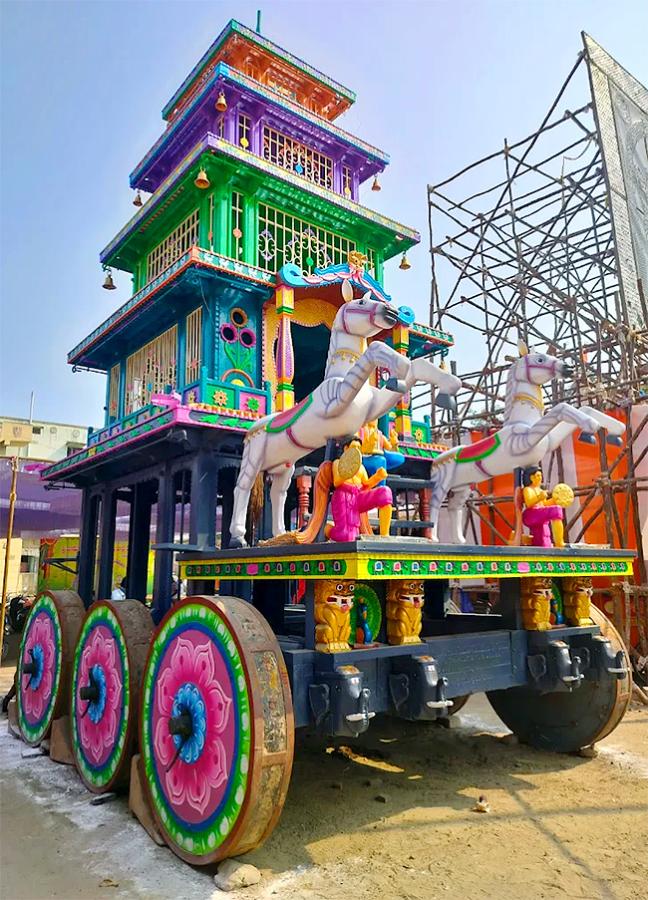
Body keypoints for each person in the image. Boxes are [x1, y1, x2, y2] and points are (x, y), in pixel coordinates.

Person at [327, 436, 393, 542]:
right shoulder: (338, 463)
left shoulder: (361, 468)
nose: (357, 450)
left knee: (385, 492)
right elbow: (336, 482)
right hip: (343, 495)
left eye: (359, 447)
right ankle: (327, 529)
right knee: (346, 536)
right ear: (346, 448)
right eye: (354, 447)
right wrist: (348, 470)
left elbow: (366, 485)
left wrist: (377, 477)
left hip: (358, 496)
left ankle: (385, 535)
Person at [522, 466, 565, 548]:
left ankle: (544, 544)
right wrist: (539, 497)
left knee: (543, 534)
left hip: (539, 513)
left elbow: (544, 505)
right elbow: (529, 503)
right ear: (531, 478)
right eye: (538, 475)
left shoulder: (540, 490)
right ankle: (559, 542)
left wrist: (554, 500)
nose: (540, 478)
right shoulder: (528, 489)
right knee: (556, 510)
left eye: (541, 476)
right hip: (531, 514)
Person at [359, 417, 404, 485]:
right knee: (381, 461)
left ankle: (380, 471)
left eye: (376, 418)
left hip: (379, 454)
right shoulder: (361, 431)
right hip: (364, 457)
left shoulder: (379, 434)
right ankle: (381, 487)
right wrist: (368, 445)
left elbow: (389, 447)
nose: (374, 420)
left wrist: (393, 442)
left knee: (400, 458)